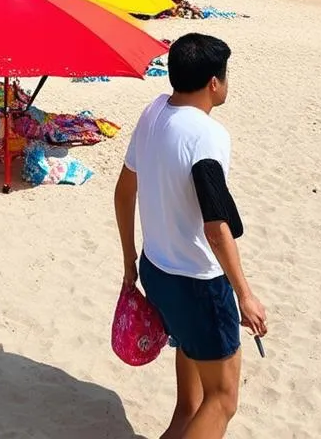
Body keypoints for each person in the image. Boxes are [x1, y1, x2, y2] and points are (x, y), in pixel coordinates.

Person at [114, 34, 267, 439]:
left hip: (156, 271)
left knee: (191, 406)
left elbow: (124, 190)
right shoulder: (207, 135)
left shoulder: (153, 112)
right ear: (214, 83)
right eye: (226, 75)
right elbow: (216, 226)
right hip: (197, 283)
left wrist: (130, 260)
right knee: (222, 399)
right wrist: (245, 294)